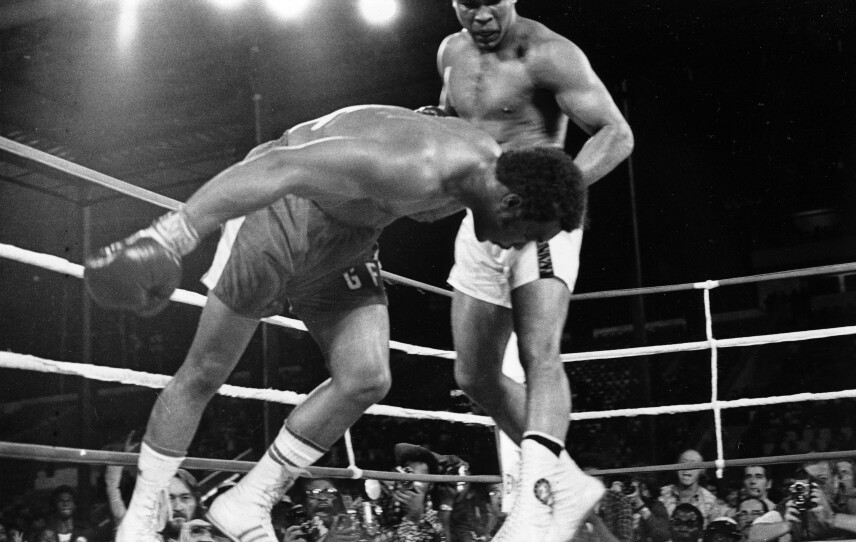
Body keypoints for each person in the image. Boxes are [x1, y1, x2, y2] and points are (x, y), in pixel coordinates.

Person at [84, 104, 585, 542]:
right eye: (524, 235)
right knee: (205, 372)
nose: (512, 247)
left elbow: (425, 205)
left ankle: (248, 500)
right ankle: (140, 523)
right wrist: (174, 234)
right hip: (282, 214)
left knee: (366, 376)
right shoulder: (414, 166)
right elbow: (280, 166)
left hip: (349, 240)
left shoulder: (480, 174)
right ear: (513, 203)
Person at [436, 1, 634, 540]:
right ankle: (568, 483)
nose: (478, 16)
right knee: (473, 374)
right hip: (481, 220)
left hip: (542, 219)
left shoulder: (548, 54)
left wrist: (553, 193)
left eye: (489, 3)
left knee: (538, 352)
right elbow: (453, 122)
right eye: (465, 4)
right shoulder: (450, 52)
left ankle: (535, 501)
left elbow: (617, 134)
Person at [748, 459, 856, 542]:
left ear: (835, 481)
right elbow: (754, 535)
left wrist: (832, 518)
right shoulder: (796, 499)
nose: (813, 487)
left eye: (820, 480)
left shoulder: (850, 496)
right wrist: (787, 525)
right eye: (809, 482)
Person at [659, 450, 724, 528]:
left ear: (702, 471)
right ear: (676, 467)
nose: (687, 468)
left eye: (693, 464)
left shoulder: (710, 500)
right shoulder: (662, 494)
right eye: (683, 463)